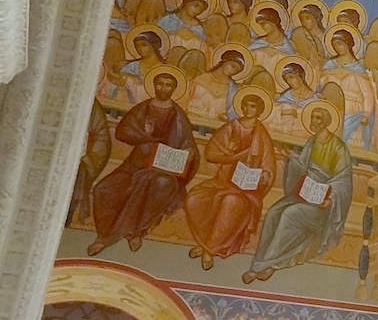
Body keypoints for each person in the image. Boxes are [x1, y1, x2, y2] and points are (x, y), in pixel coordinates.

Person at [89, 67, 198, 255]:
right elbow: (123, 131)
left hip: (163, 169)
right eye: (160, 84)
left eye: (168, 85)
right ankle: (103, 234)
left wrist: (188, 152)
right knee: (103, 189)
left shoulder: (179, 116)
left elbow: (189, 144)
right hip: (135, 166)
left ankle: (137, 232)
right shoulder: (143, 109)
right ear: (154, 85)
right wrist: (144, 136)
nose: (164, 88)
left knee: (160, 184)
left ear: (174, 89)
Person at [244, 102, 353, 284]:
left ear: (327, 122)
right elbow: (302, 169)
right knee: (273, 213)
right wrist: (291, 160)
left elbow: (343, 181)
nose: (314, 121)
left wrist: (331, 199)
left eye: (318, 118)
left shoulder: (338, 148)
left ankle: (262, 266)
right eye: (313, 117)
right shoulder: (312, 142)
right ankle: (263, 260)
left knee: (289, 214)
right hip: (304, 194)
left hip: (321, 203)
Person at [184, 90, 278, 269]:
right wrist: (233, 157)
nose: (249, 109)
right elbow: (211, 153)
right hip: (222, 181)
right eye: (246, 105)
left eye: (253, 106)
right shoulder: (231, 127)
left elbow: (269, 168)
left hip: (245, 190)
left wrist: (262, 177)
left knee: (231, 202)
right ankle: (205, 244)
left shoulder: (262, 136)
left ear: (259, 110)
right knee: (194, 199)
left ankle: (208, 249)